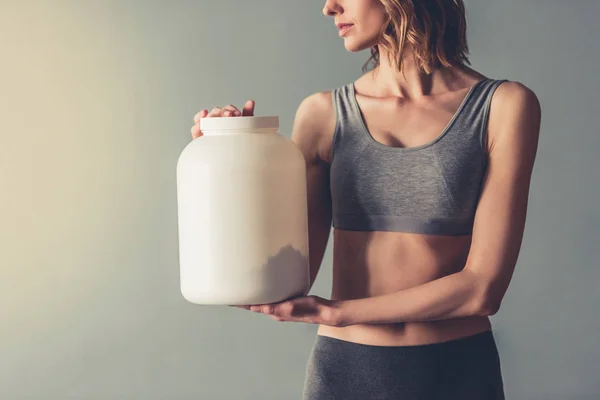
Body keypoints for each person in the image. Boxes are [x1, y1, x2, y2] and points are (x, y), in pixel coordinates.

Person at [191, 1, 541, 398]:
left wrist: (338, 312)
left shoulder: (503, 107)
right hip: (345, 373)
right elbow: (275, 278)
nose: (328, 7)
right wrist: (226, 160)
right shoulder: (322, 115)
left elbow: (482, 289)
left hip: (457, 372)